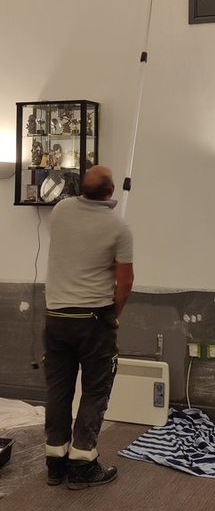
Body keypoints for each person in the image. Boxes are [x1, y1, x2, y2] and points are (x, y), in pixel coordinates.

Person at [44, 165, 134, 489]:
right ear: (111, 191)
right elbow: (125, 282)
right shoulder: (118, 228)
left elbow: (78, 249)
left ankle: (55, 462)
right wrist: (115, 315)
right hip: (94, 320)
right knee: (95, 390)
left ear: (82, 189)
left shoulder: (60, 211)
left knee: (58, 390)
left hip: (56, 318)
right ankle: (82, 464)